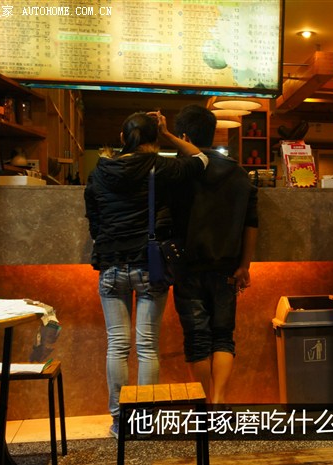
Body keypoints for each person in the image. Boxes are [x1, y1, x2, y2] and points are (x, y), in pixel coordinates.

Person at [84, 111, 207, 438]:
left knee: (117, 346)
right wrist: (168, 135)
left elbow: (93, 218)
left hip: (111, 265)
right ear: (154, 139)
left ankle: (120, 422)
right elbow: (200, 160)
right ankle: (144, 421)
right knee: (147, 346)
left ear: (122, 139)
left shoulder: (100, 171)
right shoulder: (161, 167)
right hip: (149, 265)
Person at [156, 105, 259, 404]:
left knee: (197, 338)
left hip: (188, 267)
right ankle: (219, 401)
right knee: (223, 335)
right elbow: (251, 223)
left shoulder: (180, 172)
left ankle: (203, 407)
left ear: (184, 136)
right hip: (227, 267)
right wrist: (244, 266)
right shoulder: (240, 174)